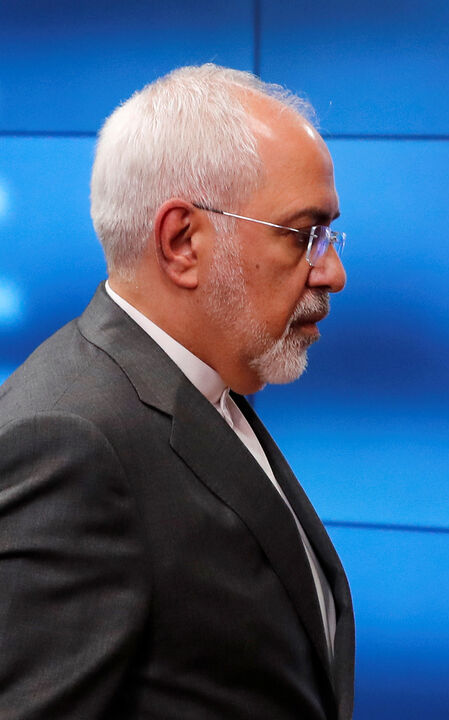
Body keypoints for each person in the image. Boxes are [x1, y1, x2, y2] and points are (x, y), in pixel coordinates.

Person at [0, 65, 354, 718]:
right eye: (302, 234)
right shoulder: (69, 442)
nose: (331, 271)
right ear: (182, 242)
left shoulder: (209, 381)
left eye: (328, 236)